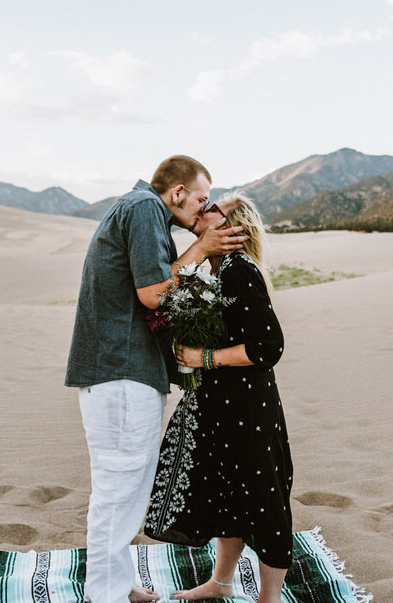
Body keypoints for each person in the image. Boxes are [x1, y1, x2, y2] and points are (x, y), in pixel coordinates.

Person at [65, 156, 246, 603]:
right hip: (121, 370)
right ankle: (104, 596)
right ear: (178, 191)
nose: (201, 210)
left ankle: (118, 584)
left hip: (123, 370)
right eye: (201, 199)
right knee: (119, 486)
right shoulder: (146, 208)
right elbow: (151, 292)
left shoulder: (139, 209)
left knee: (126, 487)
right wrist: (200, 252)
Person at [145, 192, 293, 603]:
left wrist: (203, 356)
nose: (203, 211)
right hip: (217, 401)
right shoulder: (211, 268)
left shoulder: (239, 270)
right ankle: (221, 582)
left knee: (263, 499)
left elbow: (268, 347)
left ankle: (270, 598)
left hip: (248, 407)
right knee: (228, 493)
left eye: (214, 209)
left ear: (232, 227)